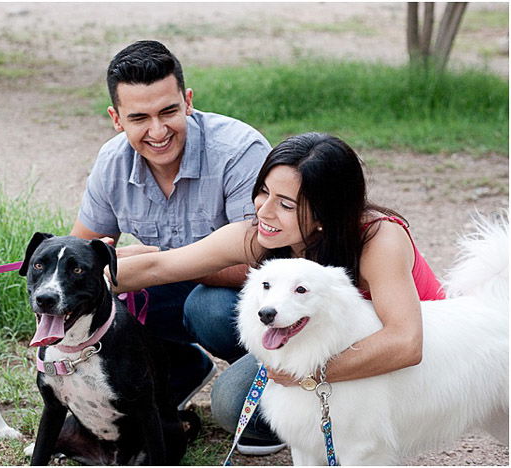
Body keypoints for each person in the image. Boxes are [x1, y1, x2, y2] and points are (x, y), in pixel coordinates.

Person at [111, 132, 445, 450]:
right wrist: (72, 280)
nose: (264, 211)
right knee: (207, 306)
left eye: (286, 204)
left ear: (325, 213)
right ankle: (304, 404)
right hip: (317, 339)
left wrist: (304, 375)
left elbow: (406, 343)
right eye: (264, 192)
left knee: (231, 403)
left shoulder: (378, 239)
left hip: (411, 369)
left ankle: (313, 417)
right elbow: (162, 267)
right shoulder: (264, 232)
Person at [69, 40, 279, 453]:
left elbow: (264, 265)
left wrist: (155, 263)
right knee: (110, 300)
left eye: (169, 111)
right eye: (139, 118)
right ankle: (179, 370)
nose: (158, 131)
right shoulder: (111, 161)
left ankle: (271, 382)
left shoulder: (239, 151)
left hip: (256, 303)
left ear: (188, 100)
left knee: (207, 310)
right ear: (115, 119)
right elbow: (80, 254)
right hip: (177, 292)